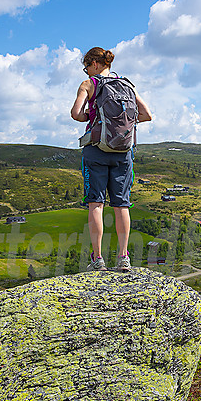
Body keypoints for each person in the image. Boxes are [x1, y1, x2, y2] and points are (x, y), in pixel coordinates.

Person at [70, 47, 152, 271]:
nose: (86, 72)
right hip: (124, 152)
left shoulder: (90, 84)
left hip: (96, 149)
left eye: (86, 67)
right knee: (121, 205)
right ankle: (123, 257)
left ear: (95, 64)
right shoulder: (126, 84)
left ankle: (97, 260)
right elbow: (146, 115)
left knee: (96, 204)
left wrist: (92, 116)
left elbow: (76, 113)